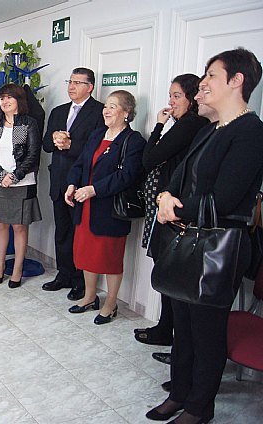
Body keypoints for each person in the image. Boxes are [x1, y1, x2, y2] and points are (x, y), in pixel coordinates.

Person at [148, 48, 263, 424]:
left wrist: (174, 208)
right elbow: (179, 177)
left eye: (211, 75)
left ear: (237, 80)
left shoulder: (251, 131)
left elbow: (225, 199)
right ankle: (179, 393)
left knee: (206, 331)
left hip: (219, 246)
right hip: (188, 240)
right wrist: (166, 195)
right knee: (182, 325)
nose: (204, 83)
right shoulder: (212, 129)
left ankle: (200, 407)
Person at [134, 74, 209, 348]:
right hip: (169, 205)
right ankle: (165, 329)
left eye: (177, 96)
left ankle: (168, 332)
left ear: (192, 98)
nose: (171, 102)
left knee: (169, 272)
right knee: (167, 271)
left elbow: (149, 158)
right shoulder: (191, 124)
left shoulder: (191, 124)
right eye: (170, 96)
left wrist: (158, 125)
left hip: (173, 209)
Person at [65, 90, 145, 324]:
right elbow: (81, 163)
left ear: (126, 112)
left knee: (110, 259)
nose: (106, 111)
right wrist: (72, 183)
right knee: (86, 255)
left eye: (112, 106)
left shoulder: (134, 140)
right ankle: (90, 297)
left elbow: (126, 176)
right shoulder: (97, 134)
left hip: (109, 209)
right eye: (105, 106)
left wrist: (94, 189)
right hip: (86, 206)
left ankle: (110, 303)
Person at [41, 68, 105, 301]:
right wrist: (55, 139)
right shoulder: (58, 111)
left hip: (81, 184)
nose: (71, 86)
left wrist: (71, 146)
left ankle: (80, 281)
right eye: (70, 81)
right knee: (62, 231)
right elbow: (46, 144)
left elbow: (98, 148)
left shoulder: (99, 112)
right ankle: (64, 274)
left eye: (78, 82)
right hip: (59, 181)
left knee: (80, 235)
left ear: (90, 87)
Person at [0, 83, 42, 288]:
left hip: (22, 183)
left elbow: (33, 154)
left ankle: (17, 269)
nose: (5, 101)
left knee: (19, 226)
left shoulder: (29, 123)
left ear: (19, 100)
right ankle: (0, 266)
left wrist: (15, 176)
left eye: (9, 97)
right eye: (2, 98)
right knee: (0, 224)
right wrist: (1, 175)